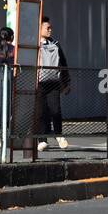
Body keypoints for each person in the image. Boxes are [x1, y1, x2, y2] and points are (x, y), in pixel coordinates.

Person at [36, 17, 71, 151]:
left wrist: (66, 82)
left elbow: (63, 63)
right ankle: (41, 139)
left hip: (53, 82)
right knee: (41, 111)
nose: (50, 30)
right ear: (39, 29)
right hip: (39, 82)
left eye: (50, 28)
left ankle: (58, 135)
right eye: (47, 28)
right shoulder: (34, 44)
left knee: (55, 110)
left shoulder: (55, 44)